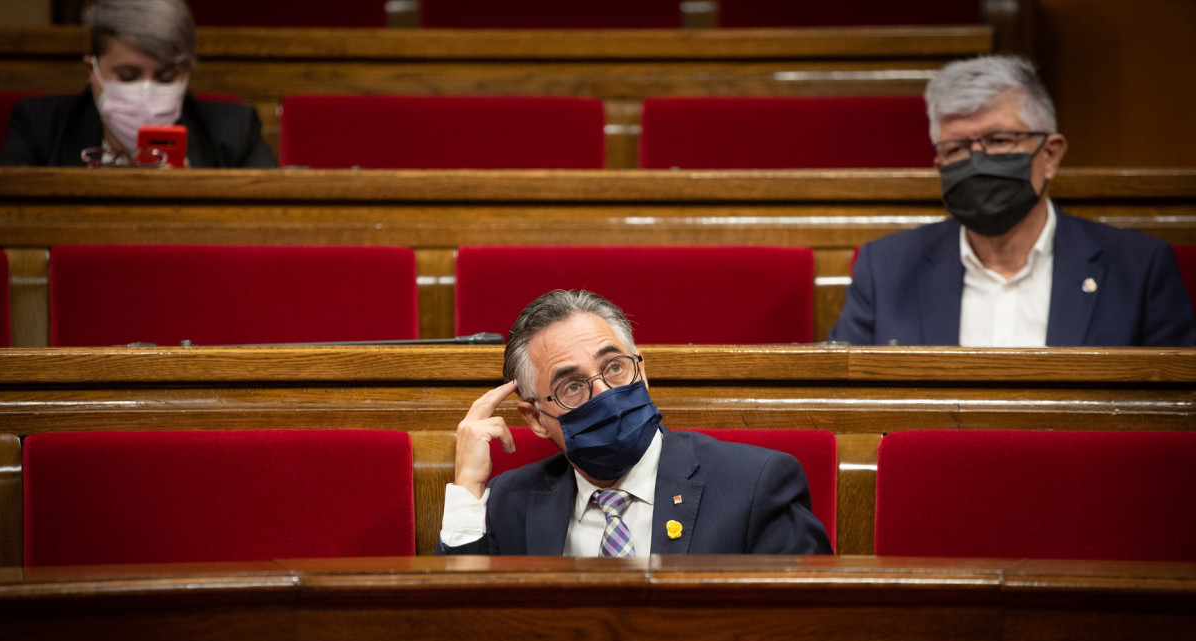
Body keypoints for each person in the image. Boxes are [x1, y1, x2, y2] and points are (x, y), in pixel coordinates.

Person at [828, 55, 1196, 347]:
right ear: (938, 161)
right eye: (957, 148)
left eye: (999, 141)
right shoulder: (887, 268)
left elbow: (1173, 415)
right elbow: (844, 399)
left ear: (1050, 155)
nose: (977, 161)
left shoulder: (1139, 269)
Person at [435, 289, 832, 557]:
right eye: (572, 386)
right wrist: (469, 487)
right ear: (536, 418)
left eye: (615, 368)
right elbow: (464, 632)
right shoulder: (513, 500)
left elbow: (809, 633)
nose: (605, 394)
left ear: (641, 370)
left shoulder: (753, 484)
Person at [0, 0, 276, 168]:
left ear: (186, 74)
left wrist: (196, 196)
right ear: (92, 70)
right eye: (128, 75)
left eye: (165, 77)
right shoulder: (40, 128)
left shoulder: (233, 133)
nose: (146, 89)